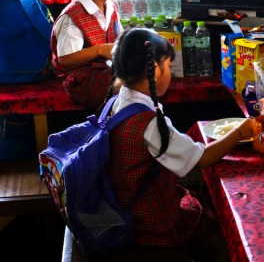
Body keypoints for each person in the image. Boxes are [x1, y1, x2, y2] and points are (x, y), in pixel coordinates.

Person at [108, 28, 254, 260]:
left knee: (203, 200)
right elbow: (203, 158)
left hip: (124, 201)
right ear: (155, 69)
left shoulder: (118, 101)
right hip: (148, 221)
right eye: (168, 65)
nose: (171, 73)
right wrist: (240, 131)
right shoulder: (150, 123)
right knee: (217, 224)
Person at [50, 0, 125, 110]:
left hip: (104, 71)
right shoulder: (72, 17)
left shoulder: (110, 7)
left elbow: (120, 36)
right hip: (82, 81)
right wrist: (99, 50)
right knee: (133, 81)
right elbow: (65, 59)